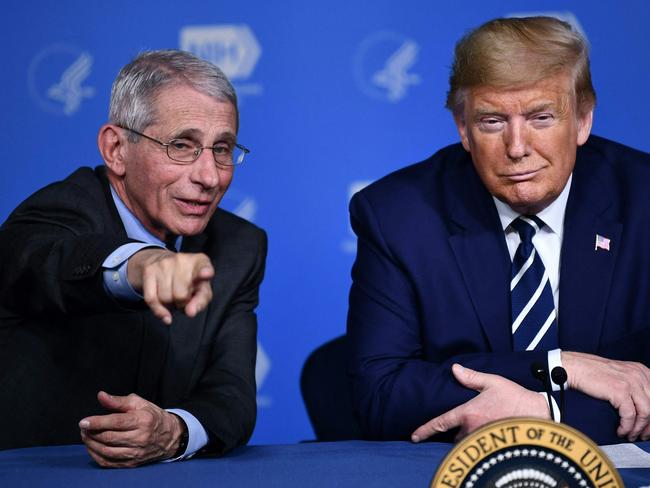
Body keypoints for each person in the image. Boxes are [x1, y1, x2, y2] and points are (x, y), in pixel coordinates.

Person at [347, 16, 650, 445]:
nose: (517, 147)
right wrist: (560, 366)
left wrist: (543, 411)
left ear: (583, 120)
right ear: (462, 127)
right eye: (492, 121)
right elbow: (381, 395)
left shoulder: (642, 201)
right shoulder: (397, 215)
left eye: (541, 117)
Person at [0, 50, 267, 467]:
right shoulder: (55, 212)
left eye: (223, 148)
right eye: (182, 145)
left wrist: (174, 432)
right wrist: (142, 264)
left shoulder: (239, 245)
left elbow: (231, 396)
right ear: (116, 149)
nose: (210, 176)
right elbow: (53, 261)